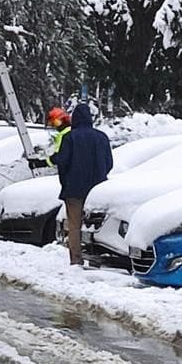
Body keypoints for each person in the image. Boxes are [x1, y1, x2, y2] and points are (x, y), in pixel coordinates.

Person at [54, 103, 113, 266]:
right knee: (96, 226)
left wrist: (65, 182)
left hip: (74, 189)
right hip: (98, 191)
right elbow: (109, 163)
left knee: (74, 226)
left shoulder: (70, 138)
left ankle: (76, 259)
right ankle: (96, 258)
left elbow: (63, 162)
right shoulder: (101, 137)